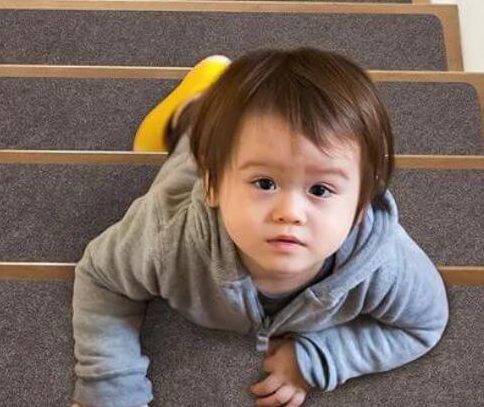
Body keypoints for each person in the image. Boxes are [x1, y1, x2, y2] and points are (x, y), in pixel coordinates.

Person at [71, 47, 449, 407]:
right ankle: (200, 97)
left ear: (362, 203)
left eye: (320, 189)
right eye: (265, 184)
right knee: (196, 128)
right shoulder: (167, 235)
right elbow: (101, 276)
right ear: (214, 186)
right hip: (195, 158)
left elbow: (425, 324)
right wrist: (109, 385)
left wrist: (321, 357)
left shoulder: (383, 264)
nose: (289, 212)